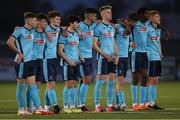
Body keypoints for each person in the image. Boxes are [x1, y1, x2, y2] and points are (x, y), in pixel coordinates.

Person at [7, 12, 42, 115]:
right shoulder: (20, 31)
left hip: (30, 62)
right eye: (35, 20)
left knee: (33, 86)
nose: (36, 22)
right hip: (22, 62)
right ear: (28, 21)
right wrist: (19, 52)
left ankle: (39, 108)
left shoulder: (33, 31)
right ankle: (21, 109)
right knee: (21, 85)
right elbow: (9, 42)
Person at [93, 5, 119, 112]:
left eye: (110, 12)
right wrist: (104, 54)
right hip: (103, 58)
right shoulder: (98, 27)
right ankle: (97, 106)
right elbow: (94, 45)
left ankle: (109, 105)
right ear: (102, 14)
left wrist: (117, 55)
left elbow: (113, 42)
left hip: (112, 58)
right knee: (99, 82)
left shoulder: (111, 27)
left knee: (112, 82)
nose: (110, 14)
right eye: (108, 12)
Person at [58, 15, 82, 113]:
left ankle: (72, 106)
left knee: (75, 84)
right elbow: (60, 51)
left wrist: (80, 56)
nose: (78, 25)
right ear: (71, 23)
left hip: (76, 62)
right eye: (76, 22)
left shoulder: (76, 34)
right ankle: (65, 107)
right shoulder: (64, 34)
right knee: (68, 85)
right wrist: (68, 61)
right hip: (67, 63)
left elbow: (76, 48)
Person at [78, 8, 97, 112]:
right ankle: (81, 105)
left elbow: (99, 22)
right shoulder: (79, 26)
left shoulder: (93, 25)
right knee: (87, 80)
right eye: (94, 16)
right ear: (89, 16)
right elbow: (68, 30)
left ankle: (78, 103)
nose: (95, 18)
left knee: (83, 81)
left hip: (89, 56)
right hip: (82, 57)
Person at [43, 11, 61, 114]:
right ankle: (55, 106)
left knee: (49, 85)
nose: (59, 20)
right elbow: (36, 26)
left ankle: (46, 107)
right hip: (46, 59)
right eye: (57, 19)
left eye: (59, 19)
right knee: (51, 84)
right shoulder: (45, 28)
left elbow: (63, 28)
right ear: (51, 19)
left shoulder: (58, 29)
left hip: (54, 59)